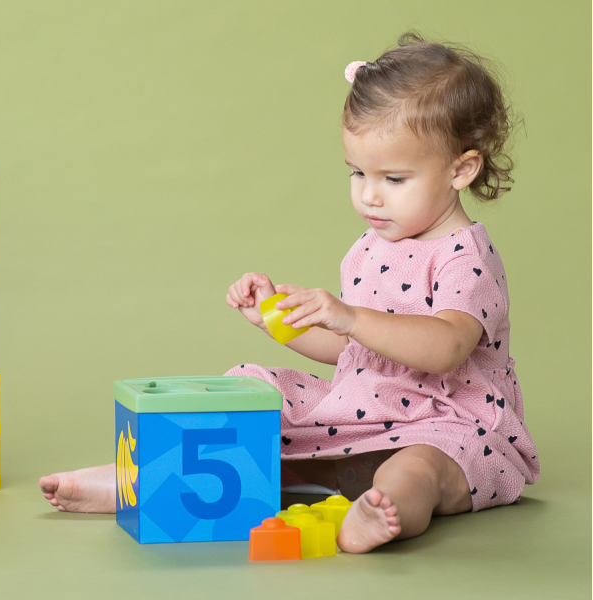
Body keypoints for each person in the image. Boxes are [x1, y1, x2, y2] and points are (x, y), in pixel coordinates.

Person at [39, 30, 539, 554]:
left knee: (418, 468)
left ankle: (383, 509)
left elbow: (446, 347)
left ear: (461, 169)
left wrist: (349, 317)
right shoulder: (371, 246)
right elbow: (353, 351)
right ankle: (145, 479)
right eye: (357, 173)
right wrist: (280, 321)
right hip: (363, 411)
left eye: (394, 179)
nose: (369, 195)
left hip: (447, 422)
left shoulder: (465, 256)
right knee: (254, 390)